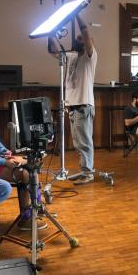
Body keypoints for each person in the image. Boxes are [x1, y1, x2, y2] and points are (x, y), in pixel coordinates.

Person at [0, 95, 46, 230]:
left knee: (31, 166)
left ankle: (34, 208)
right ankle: (28, 215)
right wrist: (4, 161)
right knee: (24, 174)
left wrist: (8, 153)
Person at [49, 14, 97, 185]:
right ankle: (85, 170)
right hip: (73, 105)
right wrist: (51, 33)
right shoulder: (71, 56)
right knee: (78, 142)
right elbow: (54, 51)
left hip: (84, 105)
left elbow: (85, 32)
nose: (78, 40)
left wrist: (76, 14)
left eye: (81, 38)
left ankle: (88, 172)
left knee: (84, 141)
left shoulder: (90, 56)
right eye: (77, 38)